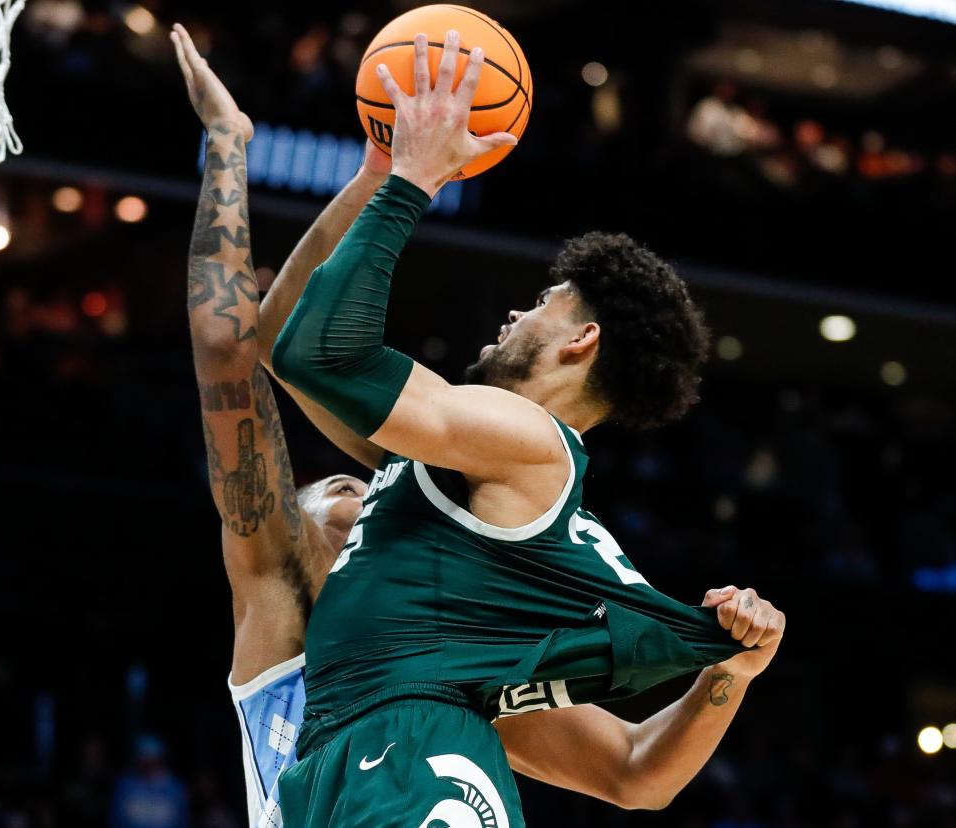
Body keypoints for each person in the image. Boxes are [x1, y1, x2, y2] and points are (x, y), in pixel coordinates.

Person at [171, 24, 786, 828]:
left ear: (581, 340)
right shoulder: (456, 613)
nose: (513, 310)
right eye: (338, 492)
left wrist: (414, 182)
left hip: (419, 766)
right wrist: (377, 176)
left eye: (540, 304)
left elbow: (310, 354)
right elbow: (284, 346)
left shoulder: (528, 441)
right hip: (380, 751)